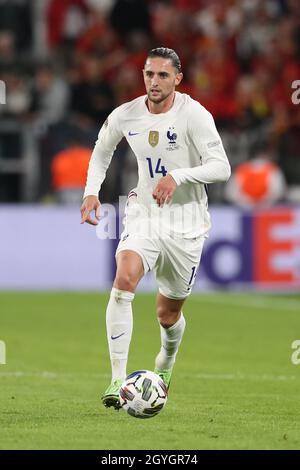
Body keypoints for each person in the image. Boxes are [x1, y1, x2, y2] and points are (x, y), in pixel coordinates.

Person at [80, 47, 231, 410]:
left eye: (163, 75)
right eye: (149, 74)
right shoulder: (127, 114)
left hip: (186, 223)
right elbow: (102, 150)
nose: (154, 82)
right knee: (124, 279)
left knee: (168, 314)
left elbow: (221, 167)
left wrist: (176, 176)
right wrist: (90, 193)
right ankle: (117, 380)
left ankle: (166, 361)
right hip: (144, 213)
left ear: (178, 79)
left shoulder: (194, 115)